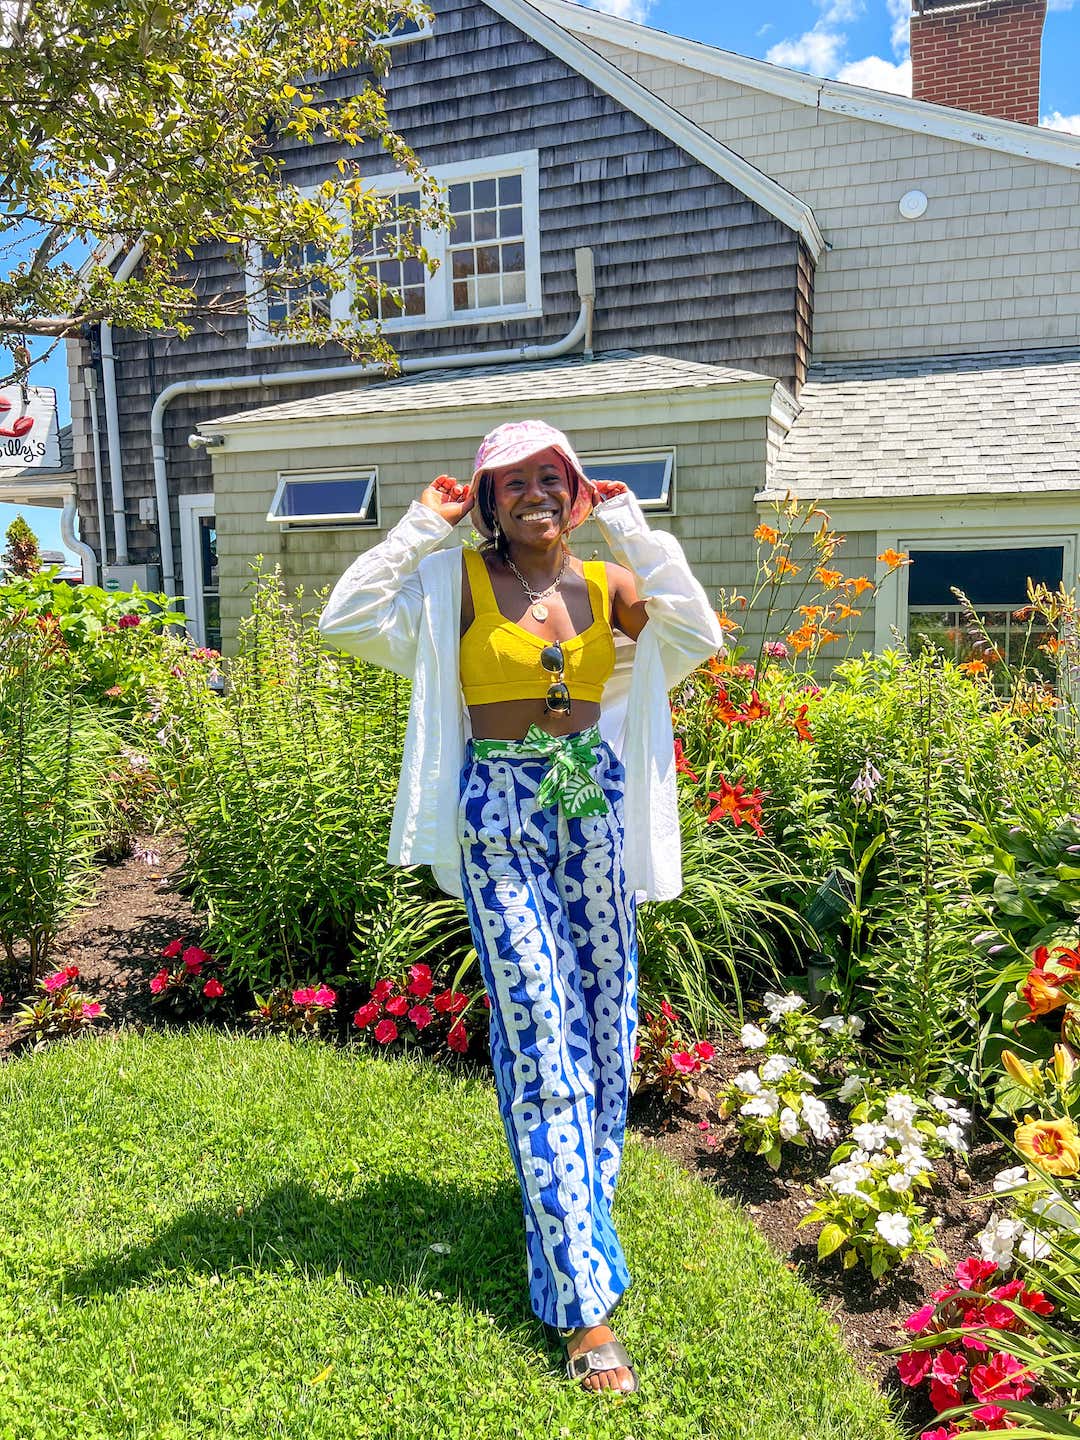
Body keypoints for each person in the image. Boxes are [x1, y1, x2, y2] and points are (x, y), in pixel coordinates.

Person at [319, 419, 723, 1395]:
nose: (535, 493)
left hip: (585, 792)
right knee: (539, 1030)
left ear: (576, 492)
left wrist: (634, 530)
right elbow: (345, 618)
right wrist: (422, 525)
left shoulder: (603, 587)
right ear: (490, 501)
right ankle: (585, 1305)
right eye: (513, 482)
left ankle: (575, 1216)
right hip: (497, 804)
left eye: (555, 478)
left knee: (603, 1025)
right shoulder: (450, 584)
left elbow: (698, 635)